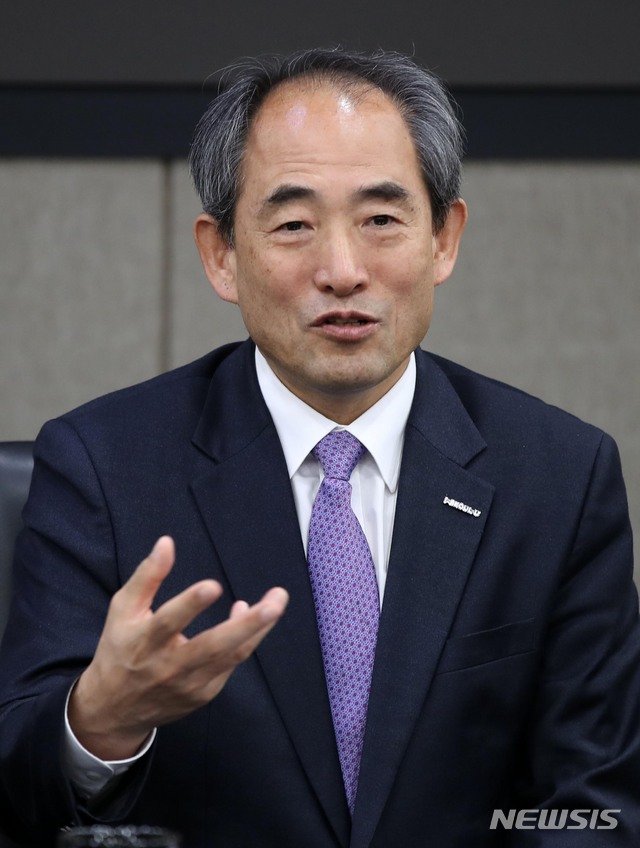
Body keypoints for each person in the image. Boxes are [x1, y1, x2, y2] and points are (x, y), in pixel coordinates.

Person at [1, 47, 639, 847]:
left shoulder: (559, 477)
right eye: (294, 225)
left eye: (381, 220)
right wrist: (101, 722)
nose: (341, 271)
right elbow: (17, 790)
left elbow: (593, 807)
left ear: (444, 239)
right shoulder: (102, 467)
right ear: (222, 255)